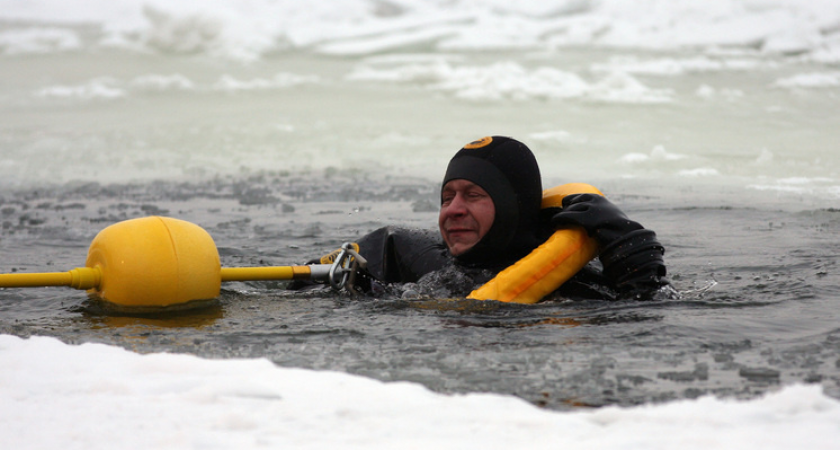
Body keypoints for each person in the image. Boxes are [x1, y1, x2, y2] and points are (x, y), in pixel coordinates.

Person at [297, 136, 669, 301]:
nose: (453, 210)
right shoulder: (405, 252)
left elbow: (643, 317)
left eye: (473, 196)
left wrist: (632, 256)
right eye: (447, 196)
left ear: (512, 209)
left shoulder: (576, 290)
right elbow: (303, 289)